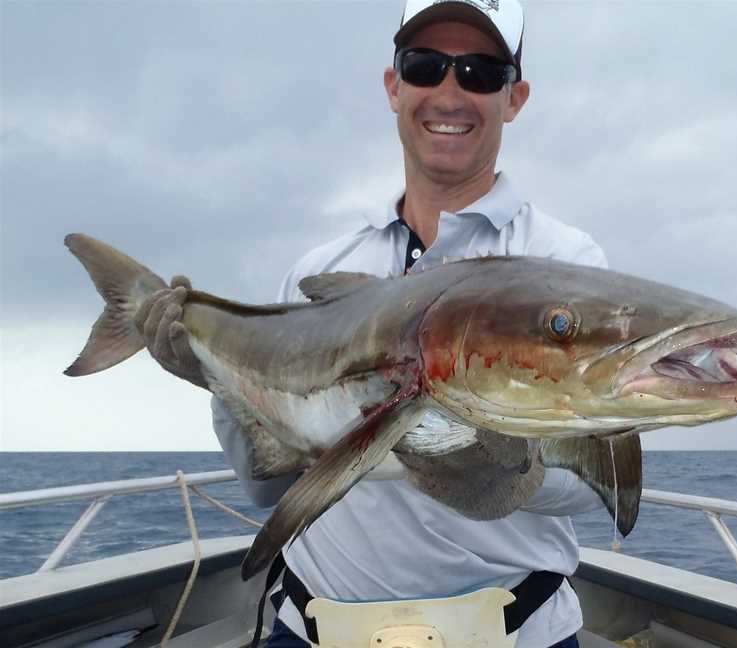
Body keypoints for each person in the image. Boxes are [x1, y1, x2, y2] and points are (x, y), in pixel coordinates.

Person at [138, 1, 610, 646]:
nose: (450, 92)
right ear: (394, 86)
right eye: (425, 66)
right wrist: (216, 380)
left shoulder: (568, 269)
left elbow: (596, 491)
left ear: (515, 97)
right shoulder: (319, 271)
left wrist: (512, 473)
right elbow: (266, 486)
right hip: (309, 631)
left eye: (479, 71)